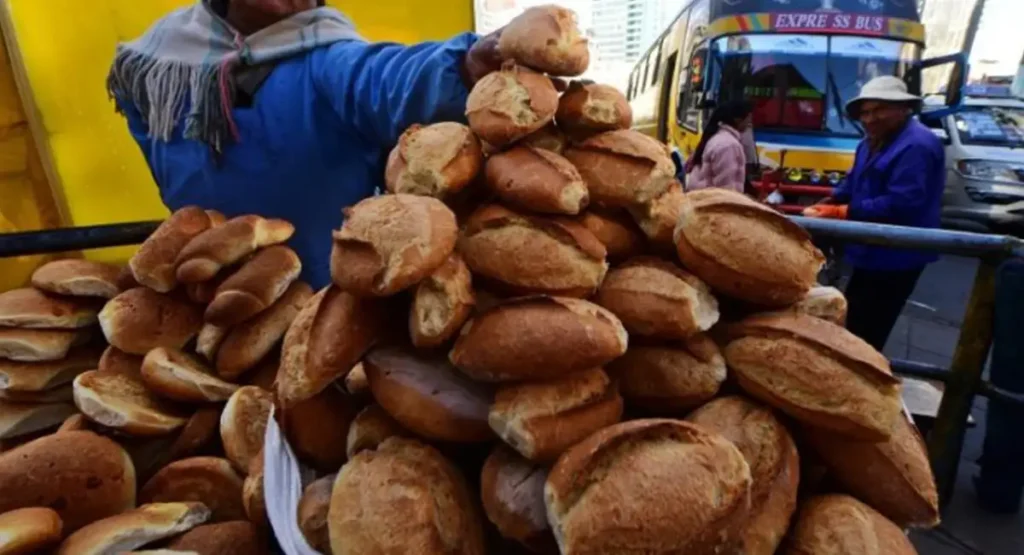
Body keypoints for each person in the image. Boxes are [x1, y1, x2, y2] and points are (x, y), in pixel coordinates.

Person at [108, 0, 504, 288]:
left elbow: (393, 79)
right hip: (207, 290)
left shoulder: (330, 60)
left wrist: (468, 64)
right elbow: (160, 160)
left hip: (323, 293)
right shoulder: (152, 63)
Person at [803, 76, 945, 352]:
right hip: (869, 248)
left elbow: (902, 203)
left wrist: (843, 212)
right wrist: (833, 198)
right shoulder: (870, 141)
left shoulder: (917, 145)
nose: (870, 118)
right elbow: (853, 180)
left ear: (902, 109)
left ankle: (861, 374)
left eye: (879, 110)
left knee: (870, 327)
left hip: (898, 254)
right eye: (866, 112)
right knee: (853, 316)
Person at [684, 100, 754, 193]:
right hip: (714, 204)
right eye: (748, 118)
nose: (750, 123)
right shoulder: (729, 146)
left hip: (703, 199)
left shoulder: (717, 138)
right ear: (738, 120)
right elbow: (726, 190)